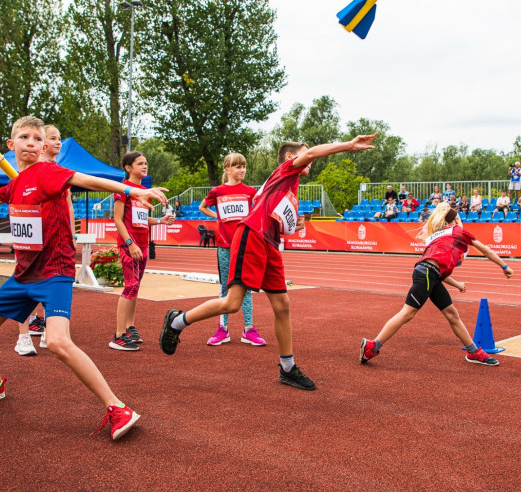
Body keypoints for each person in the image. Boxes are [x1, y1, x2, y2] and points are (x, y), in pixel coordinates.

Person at [0, 116, 167, 442]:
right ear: (11, 146)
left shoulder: (48, 172)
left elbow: (90, 181)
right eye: (23, 137)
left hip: (55, 272)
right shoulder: (14, 184)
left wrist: (134, 190)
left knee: (56, 341)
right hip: (23, 276)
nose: (31, 142)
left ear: (42, 147)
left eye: (37, 139)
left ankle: (117, 407)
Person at [159, 133, 377, 391]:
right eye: (306, 155)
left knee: (282, 305)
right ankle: (176, 322)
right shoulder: (286, 170)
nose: (311, 161)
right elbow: (308, 155)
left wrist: (293, 225)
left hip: (270, 244)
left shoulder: (291, 188)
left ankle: (287, 367)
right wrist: (348, 146)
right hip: (251, 235)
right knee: (231, 303)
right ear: (290, 157)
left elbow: (284, 226)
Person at [360, 203, 514, 366]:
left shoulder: (436, 236)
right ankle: (372, 346)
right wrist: (505, 266)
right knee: (407, 313)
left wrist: (457, 284)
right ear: (455, 219)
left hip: (428, 274)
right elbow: (486, 250)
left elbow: (436, 270)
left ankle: (473, 351)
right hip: (427, 274)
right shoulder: (458, 231)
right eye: (460, 218)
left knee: (452, 314)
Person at [14, 124, 73, 357]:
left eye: (60, 138)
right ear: (44, 144)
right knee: (26, 286)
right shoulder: (30, 169)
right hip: (32, 234)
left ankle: (49, 331)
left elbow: (67, 205)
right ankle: (23, 336)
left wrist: (71, 231)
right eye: (53, 138)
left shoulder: (58, 169)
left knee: (52, 284)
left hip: (56, 239)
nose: (58, 142)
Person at [198, 153, 264, 347]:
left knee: (246, 287)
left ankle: (249, 330)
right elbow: (203, 207)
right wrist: (217, 217)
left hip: (244, 246)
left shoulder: (251, 192)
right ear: (227, 169)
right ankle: (223, 330)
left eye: (244, 166)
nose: (242, 170)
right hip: (225, 246)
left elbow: (258, 211)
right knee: (225, 287)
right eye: (237, 167)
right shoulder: (217, 191)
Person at [110, 150, 174, 351]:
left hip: (143, 244)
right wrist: (130, 243)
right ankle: (118, 335)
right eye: (140, 163)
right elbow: (118, 219)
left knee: (135, 287)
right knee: (130, 286)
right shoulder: (123, 189)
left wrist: (160, 221)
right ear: (128, 168)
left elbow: (140, 219)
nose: (145, 166)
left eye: (146, 163)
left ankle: (129, 327)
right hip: (130, 245)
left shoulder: (144, 190)